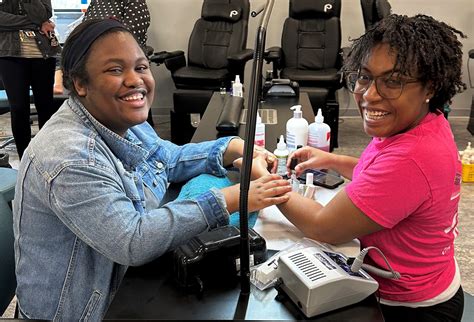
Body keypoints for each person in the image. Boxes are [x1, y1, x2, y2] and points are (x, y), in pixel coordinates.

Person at [12, 18, 291, 320]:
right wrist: (234, 197)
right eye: (115, 70)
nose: (135, 80)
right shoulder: (70, 157)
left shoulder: (120, 119)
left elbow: (166, 159)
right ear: (80, 83)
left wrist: (230, 147)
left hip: (122, 283)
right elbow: (132, 240)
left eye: (141, 67)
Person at [256, 14, 466, 321]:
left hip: (410, 308)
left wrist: (267, 181)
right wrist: (332, 160)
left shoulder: (412, 157)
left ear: (430, 86)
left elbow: (322, 225)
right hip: (435, 278)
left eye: (392, 81)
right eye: (364, 77)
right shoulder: (423, 124)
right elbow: (385, 180)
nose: (369, 95)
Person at [0, 0, 61, 159]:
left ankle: (47, 157)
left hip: (43, 55)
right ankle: (25, 160)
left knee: (45, 107)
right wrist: (35, 23)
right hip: (10, 55)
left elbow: (44, 14)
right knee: (19, 108)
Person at [83, 0, 155, 126]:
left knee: (137, 124)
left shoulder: (133, 2)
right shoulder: (96, 2)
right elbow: (85, 33)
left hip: (125, 67)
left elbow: (128, 39)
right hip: (101, 70)